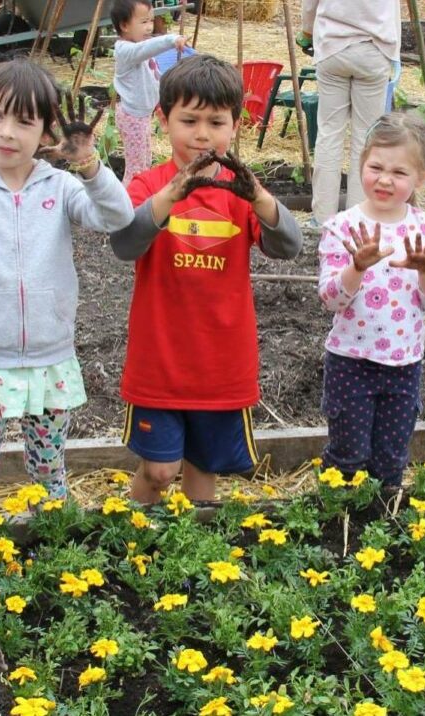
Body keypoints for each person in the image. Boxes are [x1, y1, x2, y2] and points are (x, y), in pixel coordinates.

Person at [0, 60, 134, 523]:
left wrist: (90, 165)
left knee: (48, 468)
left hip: (49, 359)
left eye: (24, 121)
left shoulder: (59, 187)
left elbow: (117, 218)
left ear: (45, 133)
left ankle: (54, 545)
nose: (7, 132)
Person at [109, 55, 302, 504]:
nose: (201, 134)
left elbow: (287, 245)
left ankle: (193, 562)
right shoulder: (147, 185)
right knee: (158, 470)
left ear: (236, 125)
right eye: (188, 120)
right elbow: (124, 245)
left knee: (204, 470)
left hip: (221, 364)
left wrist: (260, 197)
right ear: (164, 120)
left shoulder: (240, 189)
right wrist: (173, 193)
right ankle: (131, 544)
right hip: (159, 362)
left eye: (216, 122)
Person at [317, 112, 425, 485]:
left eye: (400, 173)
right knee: (348, 455)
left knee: (391, 459)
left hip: (404, 365)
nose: (385, 179)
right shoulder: (342, 227)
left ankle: (382, 524)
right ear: (361, 164)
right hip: (350, 362)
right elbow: (330, 299)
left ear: (421, 177)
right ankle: (337, 525)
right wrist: (356, 267)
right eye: (376, 167)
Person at [301, 0, 400, 225]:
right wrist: (394, 52)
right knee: (366, 139)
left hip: (333, 47)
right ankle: (358, 221)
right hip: (375, 49)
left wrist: (307, 30)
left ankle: (322, 218)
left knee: (329, 133)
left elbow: (310, 4)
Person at [110, 0, 187, 186]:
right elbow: (147, 48)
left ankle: (140, 195)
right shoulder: (126, 50)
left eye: (151, 21)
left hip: (141, 115)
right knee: (136, 168)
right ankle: (130, 203)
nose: (149, 27)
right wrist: (170, 40)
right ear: (124, 25)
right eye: (143, 22)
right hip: (132, 117)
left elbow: (153, 75)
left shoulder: (137, 46)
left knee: (145, 160)